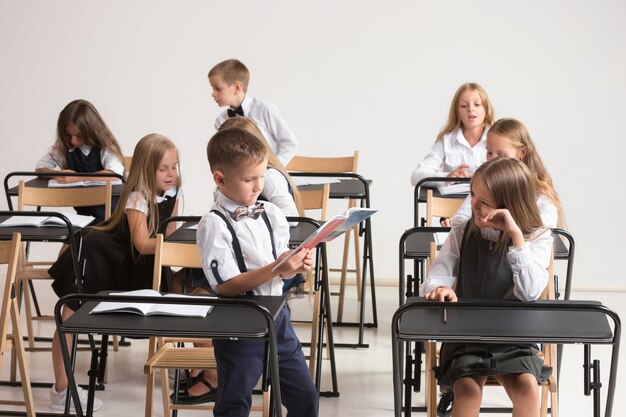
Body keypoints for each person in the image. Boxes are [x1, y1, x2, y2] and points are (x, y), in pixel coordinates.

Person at [47, 133, 182, 412]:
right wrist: (171, 245)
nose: (171, 174)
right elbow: (144, 243)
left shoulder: (173, 191)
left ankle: (174, 366)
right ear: (147, 169)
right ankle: (62, 389)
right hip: (101, 256)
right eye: (163, 168)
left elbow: (170, 232)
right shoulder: (138, 197)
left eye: (175, 166)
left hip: (137, 263)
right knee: (69, 318)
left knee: (173, 300)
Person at [196, 127, 319, 417]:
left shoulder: (272, 214)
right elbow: (225, 287)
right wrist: (277, 267)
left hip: (278, 317)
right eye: (249, 179)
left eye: (261, 176)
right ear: (220, 179)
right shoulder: (213, 224)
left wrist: (294, 264)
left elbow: (280, 273)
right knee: (235, 403)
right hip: (238, 322)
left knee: (305, 397)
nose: (257, 186)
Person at [423, 157, 553, 417]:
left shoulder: (536, 237)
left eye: (484, 202)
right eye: (473, 196)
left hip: (513, 338)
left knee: (528, 391)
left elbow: (529, 292)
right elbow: (439, 273)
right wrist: (441, 288)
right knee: (469, 392)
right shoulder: (463, 230)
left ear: (509, 205)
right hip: (467, 336)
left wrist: (516, 236)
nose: (474, 206)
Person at [451, 118, 564, 229]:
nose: (492, 160)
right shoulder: (484, 183)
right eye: (489, 152)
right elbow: (460, 217)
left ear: (522, 153)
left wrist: (501, 225)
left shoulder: (540, 193)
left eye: (502, 155)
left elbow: (542, 230)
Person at [36, 99, 125, 223]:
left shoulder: (105, 147)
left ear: (91, 130)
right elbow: (40, 168)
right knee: (70, 230)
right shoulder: (65, 147)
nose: (73, 141)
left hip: (109, 216)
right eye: (68, 135)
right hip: (84, 215)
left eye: (79, 136)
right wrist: (58, 175)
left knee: (78, 237)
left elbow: (113, 175)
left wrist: (77, 178)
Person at [209, 58, 299, 166]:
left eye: (217, 89)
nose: (213, 94)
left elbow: (290, 144)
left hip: (271, 174)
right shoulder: (221, 121)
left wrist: (273, 169)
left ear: (237, 87)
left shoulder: (264, 110)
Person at [410, 83, 494, 188]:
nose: (470, 109)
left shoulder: (498, 139)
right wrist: (447, 178)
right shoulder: (446, 141)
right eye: (464, 106)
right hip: (452, 203)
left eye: (477, 104)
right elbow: (416, 176)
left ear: (486, 109)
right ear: (457, 111)